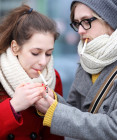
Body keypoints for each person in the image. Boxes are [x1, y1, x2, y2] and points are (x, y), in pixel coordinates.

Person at [34, 0, 117, 140]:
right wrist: (52, 101)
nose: (80, 30)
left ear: (109, 20)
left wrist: (55, 112)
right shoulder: (87, 61)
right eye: (77, 23)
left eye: (86, 21)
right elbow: (75, 110)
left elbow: (113, 128)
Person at [0, 4, 64, 140]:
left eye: (48, 53)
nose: (43, 62)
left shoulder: (53, 78)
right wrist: (14, 105)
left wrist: (53, 110)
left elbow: (54, 136)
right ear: (15, 48)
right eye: (35, 53)